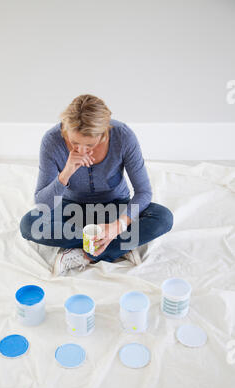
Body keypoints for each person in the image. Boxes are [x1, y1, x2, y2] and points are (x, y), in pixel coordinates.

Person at [20, 94, 173, 275]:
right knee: (30, 223)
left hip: (114, 207)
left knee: (163, 217)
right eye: (74, 142)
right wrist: (66, 172)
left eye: (90, 145)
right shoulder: (52, 141)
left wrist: (119, 226)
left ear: (104, 134)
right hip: (71, 209)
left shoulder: (123, 136)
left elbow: (144, 192)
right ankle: (121, 245)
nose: (82, 150)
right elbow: (42, 203)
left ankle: (86, 254)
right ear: (65, 130)